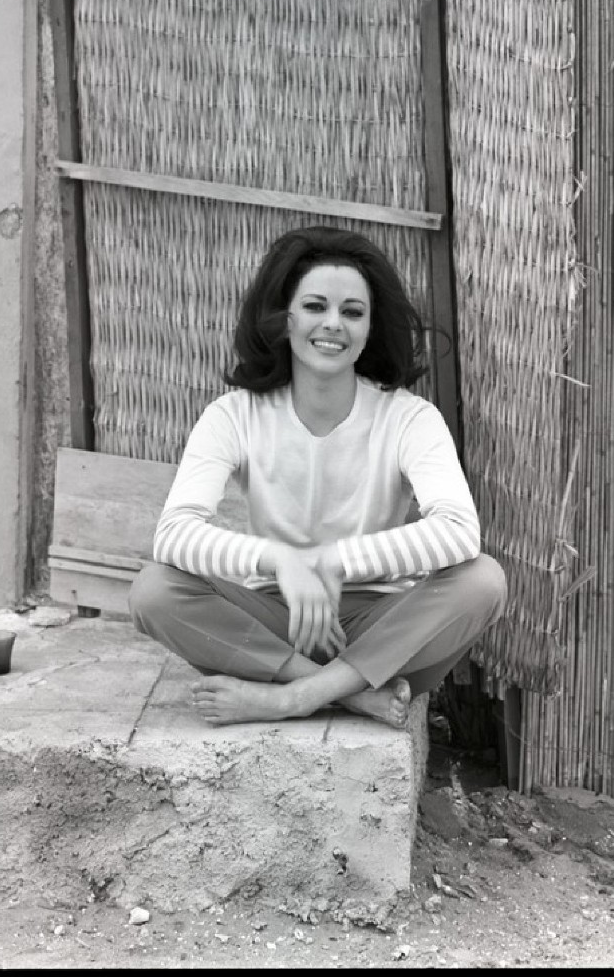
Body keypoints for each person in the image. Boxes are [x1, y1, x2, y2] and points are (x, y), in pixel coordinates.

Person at [130, 225, 507, 728]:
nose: (333, 324)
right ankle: (351, 696)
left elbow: (458, 531)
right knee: (153, 591)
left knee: (483, 580)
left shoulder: (409, 418)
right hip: (273, 626)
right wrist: (284, 561)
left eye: (352, 312)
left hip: (384, 633)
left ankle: (292, 698)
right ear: (284, 318)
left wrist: (333, 562)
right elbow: (174, 534)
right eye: (314, 307)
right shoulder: (233, 415)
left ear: (370, 328)